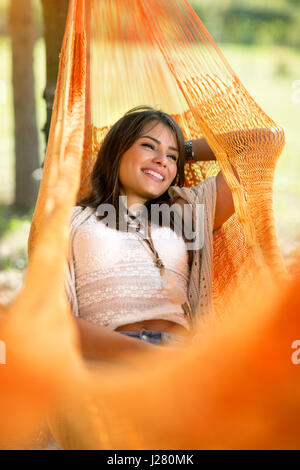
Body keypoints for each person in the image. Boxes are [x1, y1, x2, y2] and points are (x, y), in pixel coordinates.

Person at [65, 105, 236, 364]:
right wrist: (149, 356)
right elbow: (54, 317)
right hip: (107, 361)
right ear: (117, 149)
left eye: (171, 157)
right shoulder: (72, 220)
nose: (162, 160)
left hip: (181, 358)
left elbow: (261, 145)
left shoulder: (184, 213)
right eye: (149, 146)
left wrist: (184, 148)